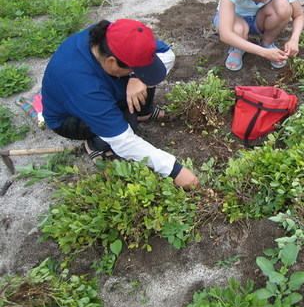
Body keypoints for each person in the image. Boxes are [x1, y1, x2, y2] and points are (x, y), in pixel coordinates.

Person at [41, 19, 199, 189]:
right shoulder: (83, 86)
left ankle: (143, 111)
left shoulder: (118, 38)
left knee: (143, 79)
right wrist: (173, 170)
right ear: (111, 62)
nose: (135, 73)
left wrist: (136, 77)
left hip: (99, 90)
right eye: (132, 69)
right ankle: (96, 143)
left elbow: (167, 55)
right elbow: (123, 140)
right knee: (127, 124)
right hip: (70, 119)